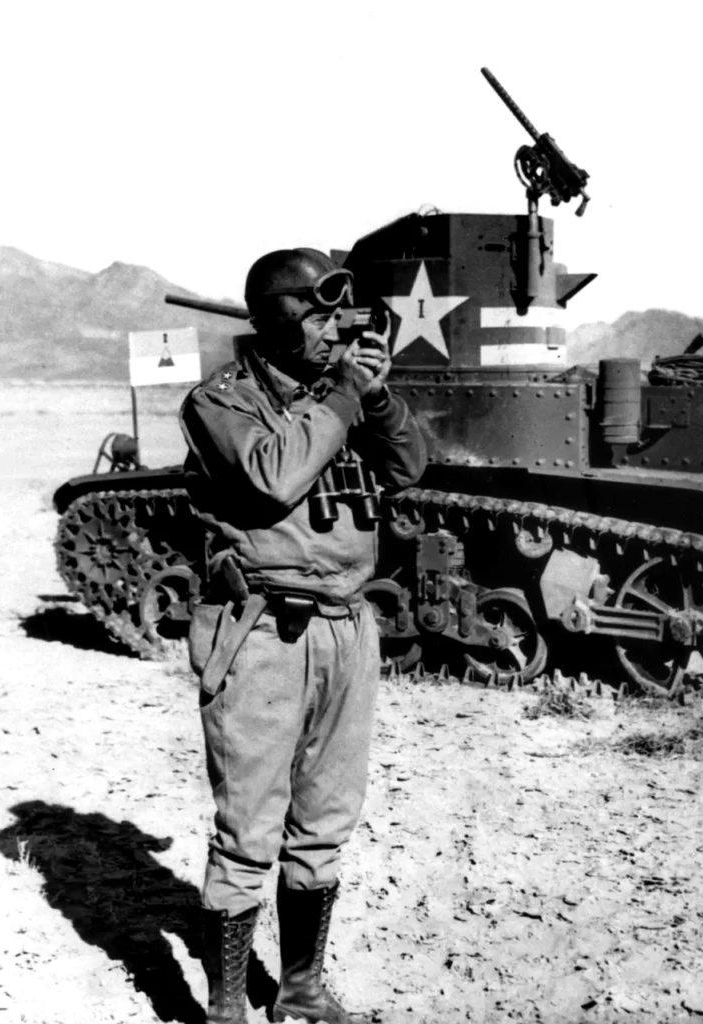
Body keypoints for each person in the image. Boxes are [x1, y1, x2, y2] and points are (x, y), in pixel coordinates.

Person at [179, 247, 427, 1024]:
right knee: (249, 828)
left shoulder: (341, 393)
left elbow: (412, 467)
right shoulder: (220, 402)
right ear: (279, 319)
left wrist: (377, 399)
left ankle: (301, 990)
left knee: (323, 825)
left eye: (339, 314)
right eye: (319, 314)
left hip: (345, 629)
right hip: (261, 634)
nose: (336, 329)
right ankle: (225, 1009)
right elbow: (273, 478)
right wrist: (349, 392)